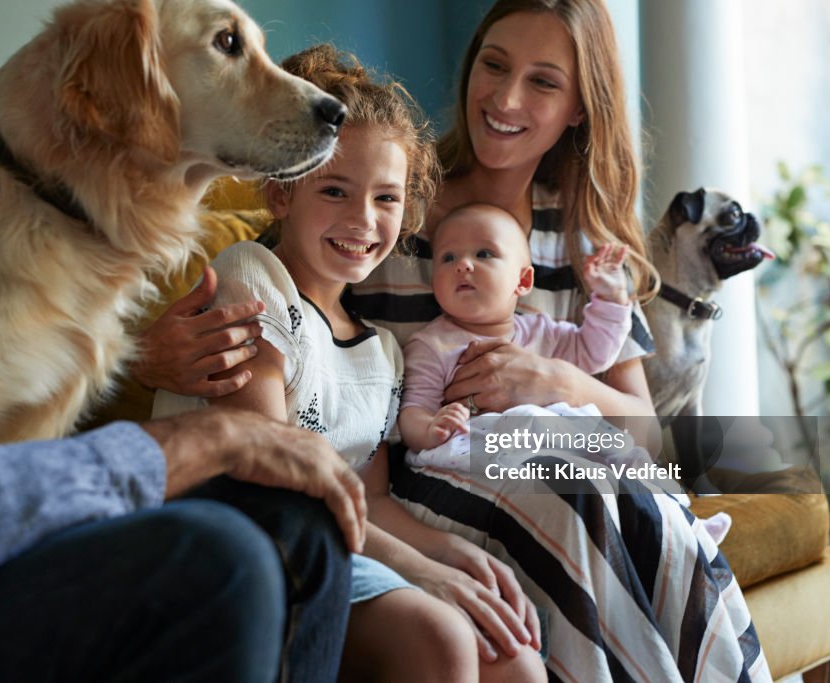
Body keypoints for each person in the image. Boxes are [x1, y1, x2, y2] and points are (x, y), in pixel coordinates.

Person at [137, 1, 771, 680]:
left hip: (499, 466)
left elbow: (644, 433)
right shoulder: (394, 197)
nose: (504, 97)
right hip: (429, 473)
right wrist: (149, 357)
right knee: (571, 487)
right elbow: (278, 284)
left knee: (625, 490)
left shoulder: (585, 243)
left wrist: (553, 381)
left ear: (581, 108)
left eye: (544, 82)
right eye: (493, 66)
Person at [0, 3, 360, 681]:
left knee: (297, 523)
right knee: (222, 562)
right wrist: (205, 442)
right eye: (227, 46)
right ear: (130, 88)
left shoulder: (56, 218)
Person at [153, 44, 548, 683]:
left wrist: (456, 556)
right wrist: (422, 571)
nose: (363, 220)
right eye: (335, 190)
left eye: (386, 199)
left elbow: (368, 495)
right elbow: (272, 471)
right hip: (255, 538)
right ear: (281, 194)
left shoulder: (384, 352)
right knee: (441, 637)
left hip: (343, 540)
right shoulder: (252, 277)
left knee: (518, 664)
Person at [399, 202, 631, 455]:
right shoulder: (431, 346)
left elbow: (595, 352)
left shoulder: (544, 332)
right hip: (482, 459)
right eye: (448, 257)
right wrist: (430, 429)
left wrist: (611, 297)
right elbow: (414, 410)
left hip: (559, 453)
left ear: (523, 280)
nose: (463, 264)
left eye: (484, 254)